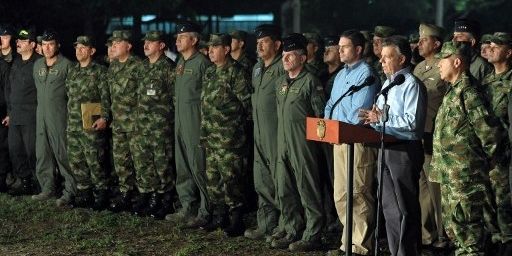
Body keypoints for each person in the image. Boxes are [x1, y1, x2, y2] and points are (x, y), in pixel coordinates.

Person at [430, 41, 502, 255]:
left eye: (443, 60)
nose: (438, 65)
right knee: (455, 232)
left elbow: (489, 135)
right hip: (450, 177)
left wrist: (481, 166)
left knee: (469, 236)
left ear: (457, 62)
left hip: (466, 178)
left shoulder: (469, 94)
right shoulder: (452, 93)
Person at [359, 35, 426, 256]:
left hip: (404, 150)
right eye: (382, 57)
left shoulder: (411, 84)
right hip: (384, 148)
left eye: (388, 57)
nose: (382, 61)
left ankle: (407, 252)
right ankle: (396, 250)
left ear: (402, 58)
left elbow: (412, 123)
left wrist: (381, 120)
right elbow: (381, 116)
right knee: (389, 209)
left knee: (405, 208)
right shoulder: (388, 83)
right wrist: (371, 118)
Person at [324, 30, 380, 256]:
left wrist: (339, 124)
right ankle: (346, 243)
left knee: (358, 193)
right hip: (338, 139)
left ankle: (359, 246)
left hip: (355, 141)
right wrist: (328, 123)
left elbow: (360, 113)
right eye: (339, 46)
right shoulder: (340, 74)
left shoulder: (367, 74)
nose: (340, 50)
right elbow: (330, 104)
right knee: (341, 194)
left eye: (344, 47)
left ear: (358, 49)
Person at [270, 33, 325, 252]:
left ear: (302, 58)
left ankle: (313, 234)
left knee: (307, 188)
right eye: (284, 55)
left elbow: (320, 115)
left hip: (303, 144)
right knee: (284, 188)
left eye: (291, 55)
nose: (285, 59)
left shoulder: (310, 81)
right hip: (282, 141)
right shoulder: (280, 82)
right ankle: (292, 229)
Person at [198, 33, 251, 237]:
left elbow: (247, 105)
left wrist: (236, 130)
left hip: (230, 140)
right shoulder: (210, 72)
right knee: (213, 179)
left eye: (215, 47)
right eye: (209, 48)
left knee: (232, 180)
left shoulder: (236, 73)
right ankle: (220, 216)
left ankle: (236, 219)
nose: (210, 51)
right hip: (211, 137)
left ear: (226, 49)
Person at [165, 21, 212, 229]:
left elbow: (208, 96)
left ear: (193, 40)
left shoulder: (202, 62)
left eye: (182, 37)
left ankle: (206, 210)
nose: (177, 40)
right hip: (180, 121)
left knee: (198, 165)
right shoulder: (181, 63)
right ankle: (187, 206)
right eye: (177, 37)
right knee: (182, 165)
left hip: (195, 121)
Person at [243, 24, 284, 241]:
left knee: (281, 181)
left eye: (264, 41)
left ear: (277, 45)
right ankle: (266, 224)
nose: (259, 45)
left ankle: (285, 225)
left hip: (276, 132)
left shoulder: (282, 68)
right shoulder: (257, 68)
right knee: (262, 180)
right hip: (259, 131)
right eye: (257, 42)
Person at [412, 23, 449, 249]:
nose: (419, 43)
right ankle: (427, 236)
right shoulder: (418, 69)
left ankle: (443, 236)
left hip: (434, 135)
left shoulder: (441, 68)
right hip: (417, 134)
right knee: (422, 187)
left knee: (436, 188)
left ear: (436, 43)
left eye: (424, 39)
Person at [132, 30, 176, 219]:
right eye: (145, 41)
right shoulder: (141, 68)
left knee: (162, 163)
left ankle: (165, 198)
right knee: (145, 163)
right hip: (142, 126)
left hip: (161, 127)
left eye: (151, 42)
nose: (146, 45)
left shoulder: (168, 68)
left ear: (162, 45)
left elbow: (175, 98)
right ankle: (149, 196)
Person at [65, 35, 111, 210]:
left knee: (95, 159)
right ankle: (85, 192)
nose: (79, 51)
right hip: (74, 121)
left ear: (92, 51)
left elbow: (106, 97)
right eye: (77, 48)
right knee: (77, 159)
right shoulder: (73, 70)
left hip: (91, 116)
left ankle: (102, 193)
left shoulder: (99, 71)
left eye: (83, 48)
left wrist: (104, 117)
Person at [31, 30, 76, 207]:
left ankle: (70, 190)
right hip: (41, 117)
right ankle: (47, 189)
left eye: (51, 44)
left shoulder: (66, 65)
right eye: (44, 45)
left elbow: (72, 95)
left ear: (57, 45)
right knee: (42, 154)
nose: (47, 48)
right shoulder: (37, 65)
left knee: (62, 154)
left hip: (59, 117)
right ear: (41, 47)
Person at [480, 32, 512, 255]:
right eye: (489, 45)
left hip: (504, 154)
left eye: (496, 46)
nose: (489, 48)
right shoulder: (487, 80)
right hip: (485, 153)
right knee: (487, 202)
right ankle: (495, 239)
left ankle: (508, 242)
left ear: (509, 52)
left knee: (504, 202)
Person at [106, 30, 143, 212]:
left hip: (135, 124)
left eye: (117, 43)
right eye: (112, 43)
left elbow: (143, 97)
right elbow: (110, 96)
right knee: (121, 163)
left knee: (140, 161)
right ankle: (126, 194)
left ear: (128, 46)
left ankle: (143, 195)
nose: (113, 46)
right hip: (118, 123)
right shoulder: (113, 67)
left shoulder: (138, 66)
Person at [3, 29, 40, 195]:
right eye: (18, 40)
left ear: (32, 45)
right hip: (15, 115)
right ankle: (24, 182)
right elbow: (9, 89)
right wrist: (10, 112)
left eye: (23, 41)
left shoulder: (39, 63)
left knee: (32, 151)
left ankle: (38, 182)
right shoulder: (16, 62)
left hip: (31, 115)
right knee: (15, 150)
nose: (18, 42)